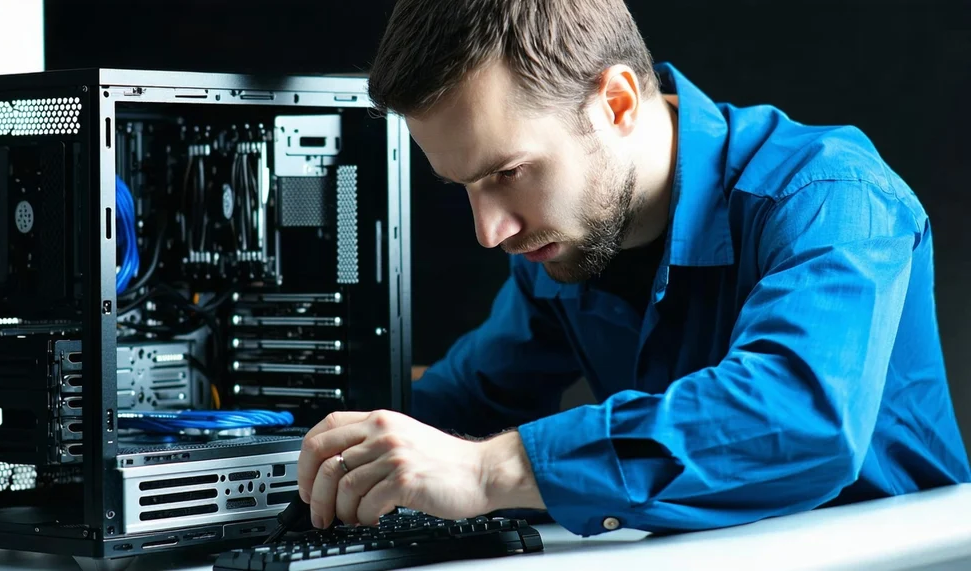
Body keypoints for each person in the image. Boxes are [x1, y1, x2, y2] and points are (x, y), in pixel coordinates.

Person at [295, 0, 971, 536]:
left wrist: (488, 470)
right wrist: (290, 444)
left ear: (616, 103)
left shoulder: (831, 194)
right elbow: (461, 402)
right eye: (464, 187)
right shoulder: (560, 248)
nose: (489, 231)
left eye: (507, 173)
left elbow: (802, 415)